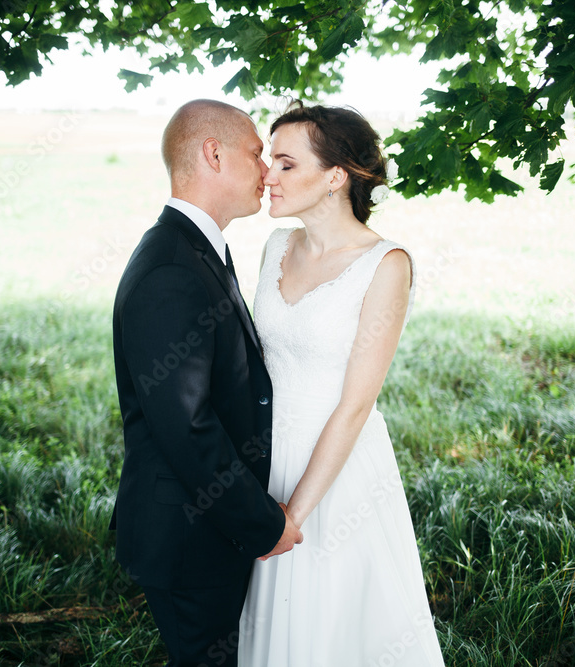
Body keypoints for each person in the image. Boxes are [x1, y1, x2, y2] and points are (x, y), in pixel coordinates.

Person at [238, 102, 446, 666]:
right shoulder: (275, 248)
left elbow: (356, 405)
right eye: (267, 161)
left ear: (335, 177)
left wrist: (293, 516)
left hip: (337, 464)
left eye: (284, 164)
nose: (267, 176)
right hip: (266, 449)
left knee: (329, 619)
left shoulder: (386, 264)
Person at [108, 99, 303, 667]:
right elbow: (187, 429)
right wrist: (264, 526)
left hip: (203, 529)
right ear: (213, 154)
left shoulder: (197, 250)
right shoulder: (173, 269)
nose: (267, 171)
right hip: (189, 537)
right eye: (256, 154)